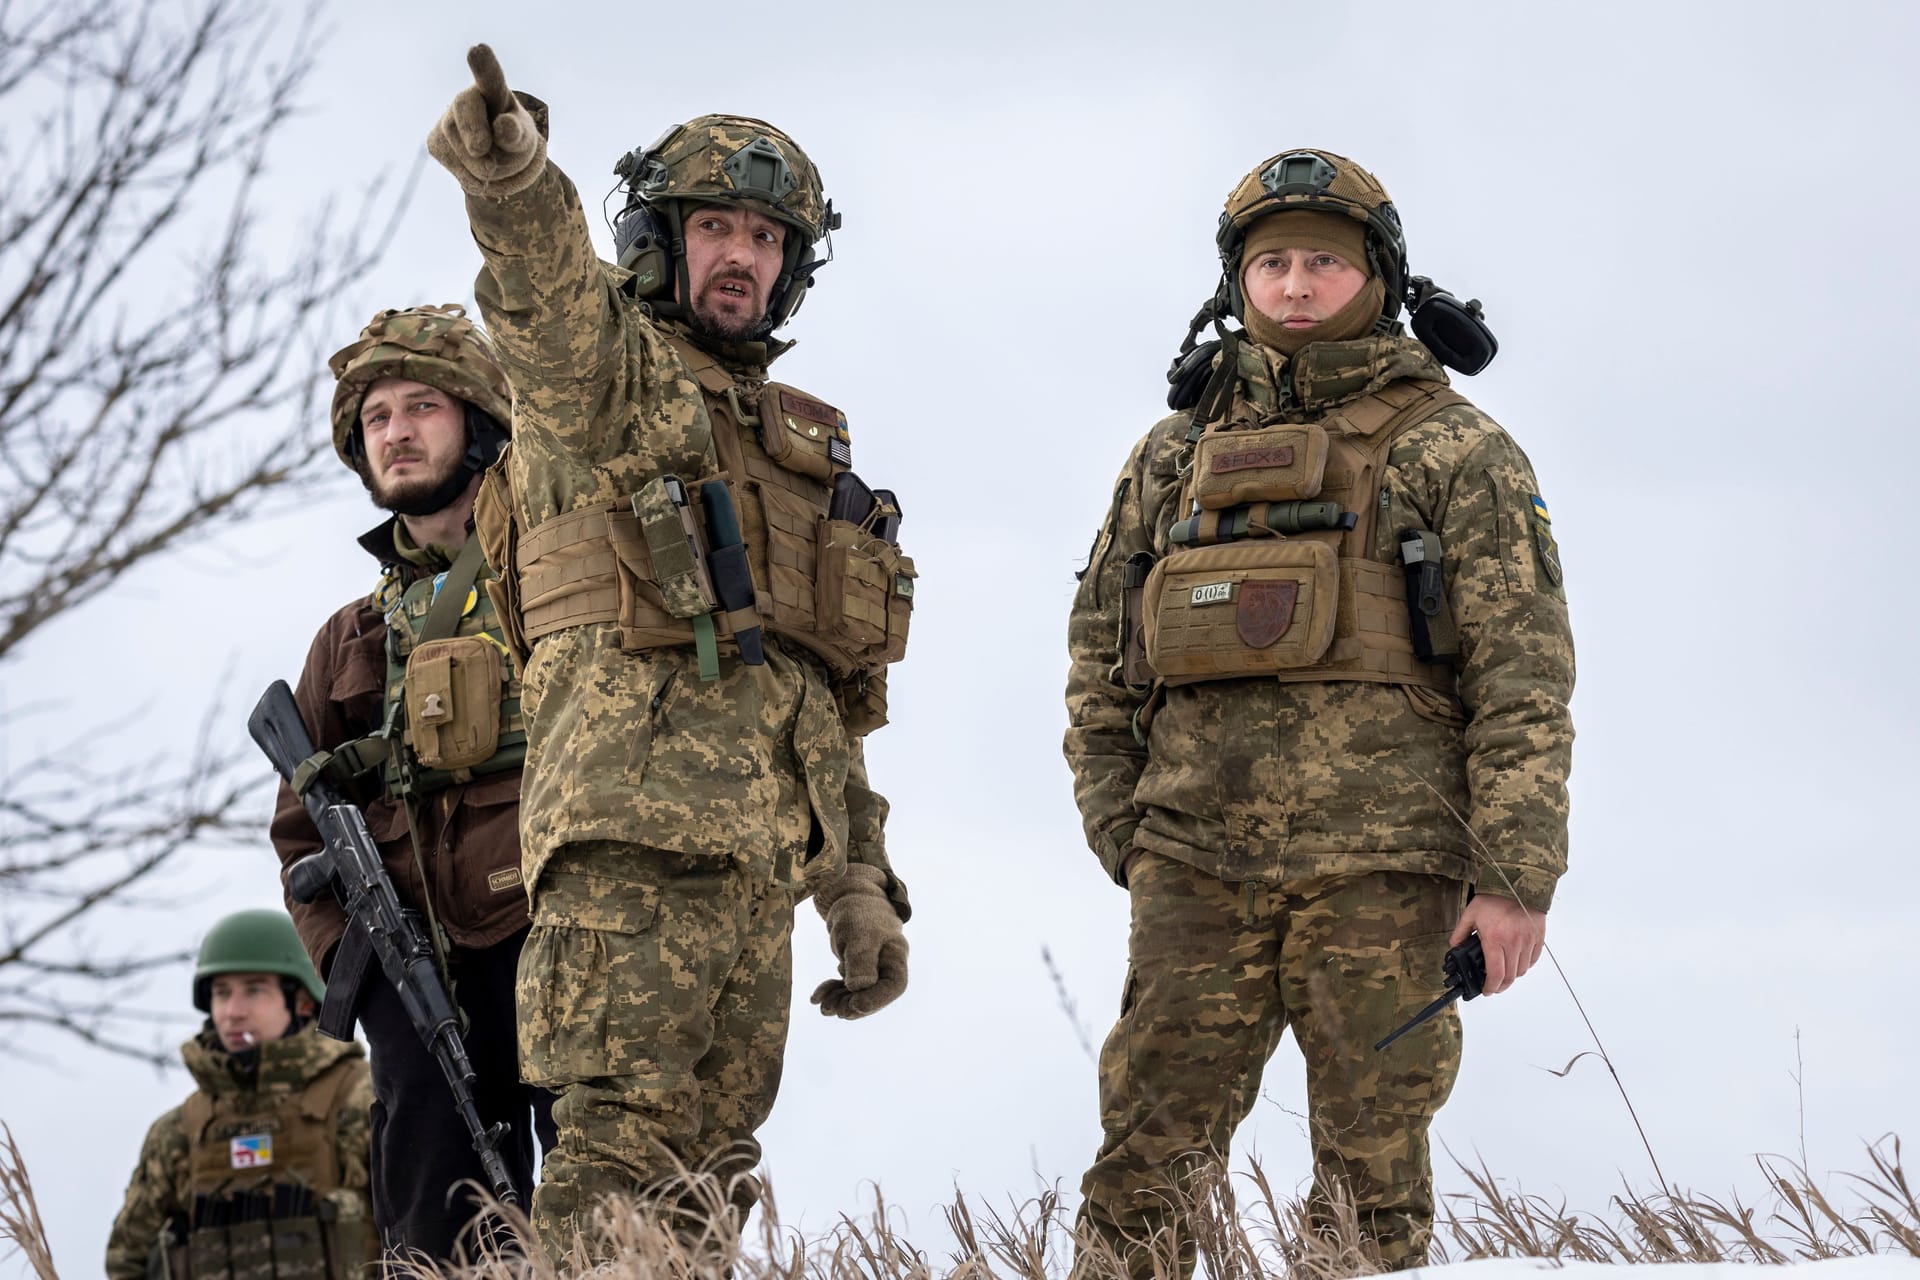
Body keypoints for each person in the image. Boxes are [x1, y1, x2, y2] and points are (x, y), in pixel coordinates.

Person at [423, 46, 915, 1256]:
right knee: (614, 1152)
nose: (742, 254)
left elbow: (821, 696)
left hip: (757, 869)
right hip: (627, 844)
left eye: (766, 236)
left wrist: (856, 886)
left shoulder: (807, 453)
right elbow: (544, 296)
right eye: (716, 227)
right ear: (662, 236)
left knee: (715, 1176)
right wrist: (512, 179)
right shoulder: (608, 384)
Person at [1063, 148, 1575, 1273]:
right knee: (1143, 1164)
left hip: (1386, 869)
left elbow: (1523, 673)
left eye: (1325, 265)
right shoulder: (1171, 456)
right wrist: (1129, 832)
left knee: (1370, 1178)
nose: (1296, 287)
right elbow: (1101, 653)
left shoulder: (1457, 448)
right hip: (1193, 864)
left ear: (1380, 279)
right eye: (1275, 263)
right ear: (1237, 281)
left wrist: (1515, 876)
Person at [268, 302, 555, 1262]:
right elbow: (302, 837)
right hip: (420, 982)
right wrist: (367, 980)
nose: (395, 432)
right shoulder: (349, 638)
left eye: (420, 406)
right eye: (376, 417)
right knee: (432, 1232)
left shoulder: (552, 577)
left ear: (478, 420)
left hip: (562, 948)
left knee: (613, 1210)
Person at [105, 910, 375, 1280]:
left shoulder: (361, 1100)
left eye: (254, 990)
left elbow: (422, 1231)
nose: (232, 1012)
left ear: (303, 1001)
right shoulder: (180, 1132)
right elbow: (126, 1262)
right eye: (221, 993)